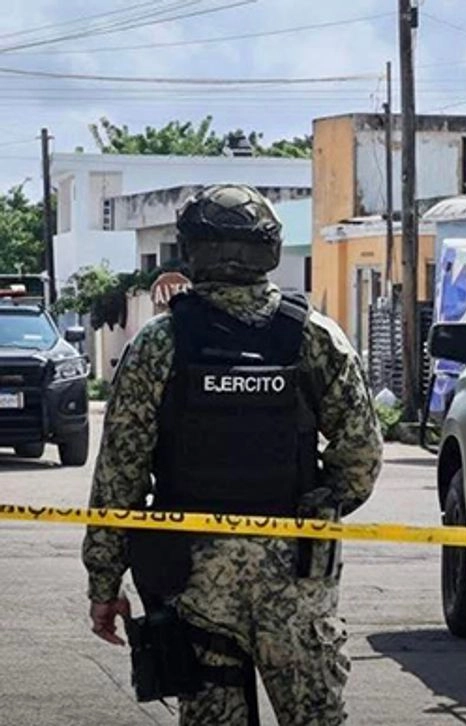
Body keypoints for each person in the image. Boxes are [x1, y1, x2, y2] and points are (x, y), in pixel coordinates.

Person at [82, 184, 383, 725]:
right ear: (268, 248)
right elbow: (361, 456)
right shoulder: (316, 337)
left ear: (191, 249)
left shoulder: (158, 344)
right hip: (297, 585)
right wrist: (314, 510)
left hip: (194, 587)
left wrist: (104, 584)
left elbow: (118, 476)